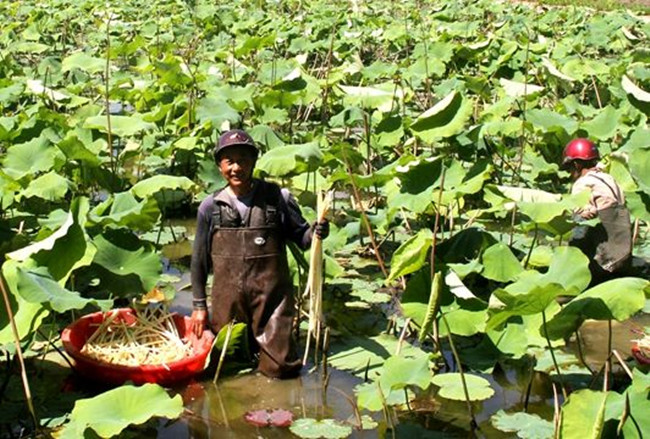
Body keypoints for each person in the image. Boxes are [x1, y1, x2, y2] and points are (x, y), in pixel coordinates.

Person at [190, 129, 329, 379]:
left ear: (253, 162)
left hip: (271, 300)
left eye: (243, 159)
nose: (236, 167)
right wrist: (199, 306)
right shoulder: (210, 208)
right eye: (229, 161)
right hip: (228, 302)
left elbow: (303, 238)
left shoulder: (278, 198)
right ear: (220, 166)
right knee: (224, 372)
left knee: (280, 370)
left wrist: (316, 232)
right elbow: (199, 261)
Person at [563, 138, 632, 285]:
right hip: (622, 256)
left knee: (578, 221)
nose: (569, 173)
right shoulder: (609, 178)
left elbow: (585, 218)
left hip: (602, 261)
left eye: (569, 168)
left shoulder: (582, 183)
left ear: (577, 164)